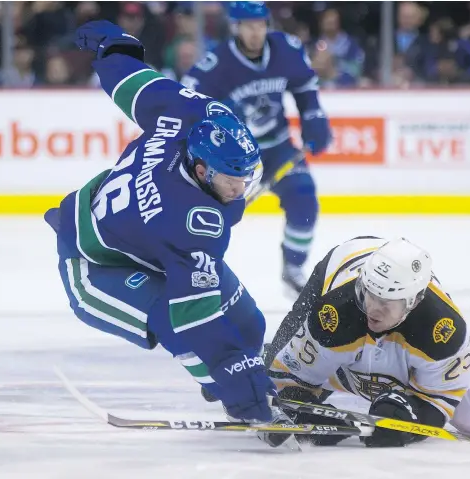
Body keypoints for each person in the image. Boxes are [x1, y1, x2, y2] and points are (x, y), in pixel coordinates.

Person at [44, 20, 292, 448]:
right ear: (200, 170)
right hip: (95, 266)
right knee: (177, 326)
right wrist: (231, 372)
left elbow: (133, 85)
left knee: (249, 323)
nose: (241, 190)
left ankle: (239, 385)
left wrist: (115, 49)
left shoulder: (194, 113)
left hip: (143, 240)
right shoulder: (190, 220)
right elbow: (192, 315)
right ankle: (239, 398)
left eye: (247, 176)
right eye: (232, 180)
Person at [260, 236, 470, 447]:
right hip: (342, 264)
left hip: (427, 331)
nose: (373, 309)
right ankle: (333, 366)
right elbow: (286, 383)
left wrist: (410, 419)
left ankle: (452, 356)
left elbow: (439, 401)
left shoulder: (441, 329)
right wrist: (305, 412)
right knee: (267, 380)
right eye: (369, 295)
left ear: (412, 302)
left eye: (386, 302)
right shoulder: (336, 312)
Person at [181, 2, 332, 298]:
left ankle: (293, 268)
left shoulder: (286, 48)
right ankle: (190, 271)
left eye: (261, 25)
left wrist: (314, 116)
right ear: (235, 27)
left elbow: (304, 87)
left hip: (278, 148)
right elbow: (187, 108)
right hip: (232, 160)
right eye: (249, 26)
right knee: (212, 218)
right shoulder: (214, 65)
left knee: (303, 200)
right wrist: (221, 114)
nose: (256, 32)